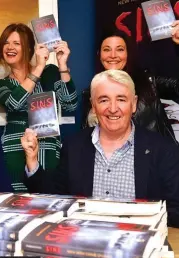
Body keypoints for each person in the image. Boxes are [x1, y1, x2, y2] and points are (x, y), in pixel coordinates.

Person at [23, 70, 179, 228]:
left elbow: (174, 211)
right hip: (86, 243)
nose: (112, 108)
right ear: (93, 105)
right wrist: (32, 160)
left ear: (134, 104)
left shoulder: (162, 150)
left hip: (140, 244)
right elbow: (54, 199)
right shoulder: (73, 146)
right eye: (104, 100)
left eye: (121, 99)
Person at [0, 23, 78, 192]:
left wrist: (62, 65)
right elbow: (14, 103)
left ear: (29, 48)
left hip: (48, 147)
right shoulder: (0, 85)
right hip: (15, 149)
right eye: (6, 43)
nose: (9, 47)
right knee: (18, 201)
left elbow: (70, 103)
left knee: (50, 196)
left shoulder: (50, 72)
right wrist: (38, 67)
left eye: (16, 43)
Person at [81, 23, 179, 144]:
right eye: (107, 49)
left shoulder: (149, 82)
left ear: (127, 54)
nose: (113, 55)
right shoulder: (89, 93)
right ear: (99, 55)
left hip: (152, 159)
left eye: (120, 49)